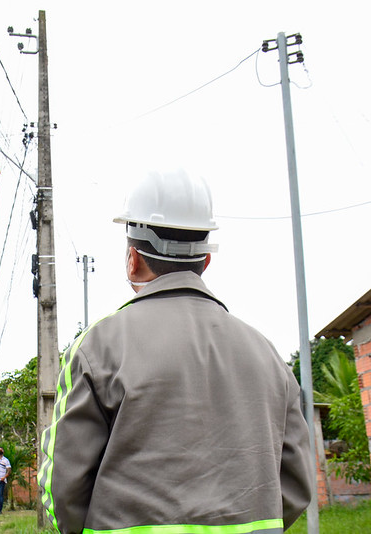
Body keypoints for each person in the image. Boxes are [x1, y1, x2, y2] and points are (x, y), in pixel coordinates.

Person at [38, 170, 313, 534]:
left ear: (132, 259)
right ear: (205, 261)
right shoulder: (267, 355)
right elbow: (296, 483)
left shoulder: (99, 346)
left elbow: (63, 486)